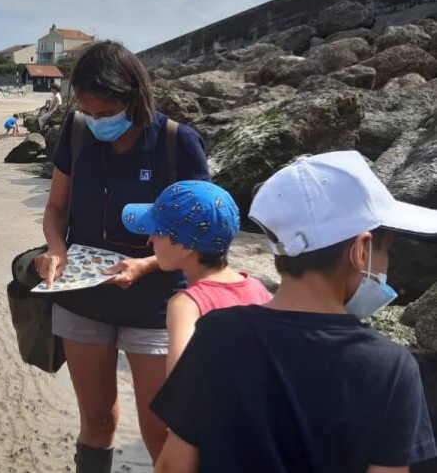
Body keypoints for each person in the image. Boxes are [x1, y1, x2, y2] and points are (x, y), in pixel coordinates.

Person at [152, 151, 437, 473]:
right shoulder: (391, 368)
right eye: (385, 251)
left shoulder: (217, 334)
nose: (385, 265)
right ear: (361, 250)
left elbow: (173, 465)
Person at [34, 41, 209, 471]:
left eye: (106, 113)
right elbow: (56, 209)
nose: (97, 122)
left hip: (156, 303)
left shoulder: (177, 143)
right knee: (95, 419)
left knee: (161, 430)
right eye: (89, 113)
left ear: (133, 98)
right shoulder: (76, 132)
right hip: (83, 297)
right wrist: (55, 251)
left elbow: (199, 233)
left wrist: (147, 264)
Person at [122, 180, 271, 373]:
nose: (150, 239)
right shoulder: (257, 288)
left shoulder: (186, 305)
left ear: (186, 247)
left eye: (157, 232)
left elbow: (180, 386)